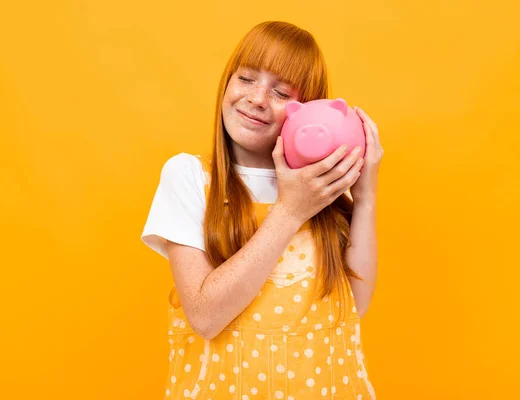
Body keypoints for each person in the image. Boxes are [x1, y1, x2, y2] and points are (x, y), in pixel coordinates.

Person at [141, 20, 383, 400]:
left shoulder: (321, 190)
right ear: (227, 81)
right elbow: (205, 317)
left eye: (281, 91)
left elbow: (355, 306)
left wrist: (365, 197)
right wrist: (289, 211)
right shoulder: (189, 176)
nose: (257, 98)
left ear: (308, 110)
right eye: (247, 78)